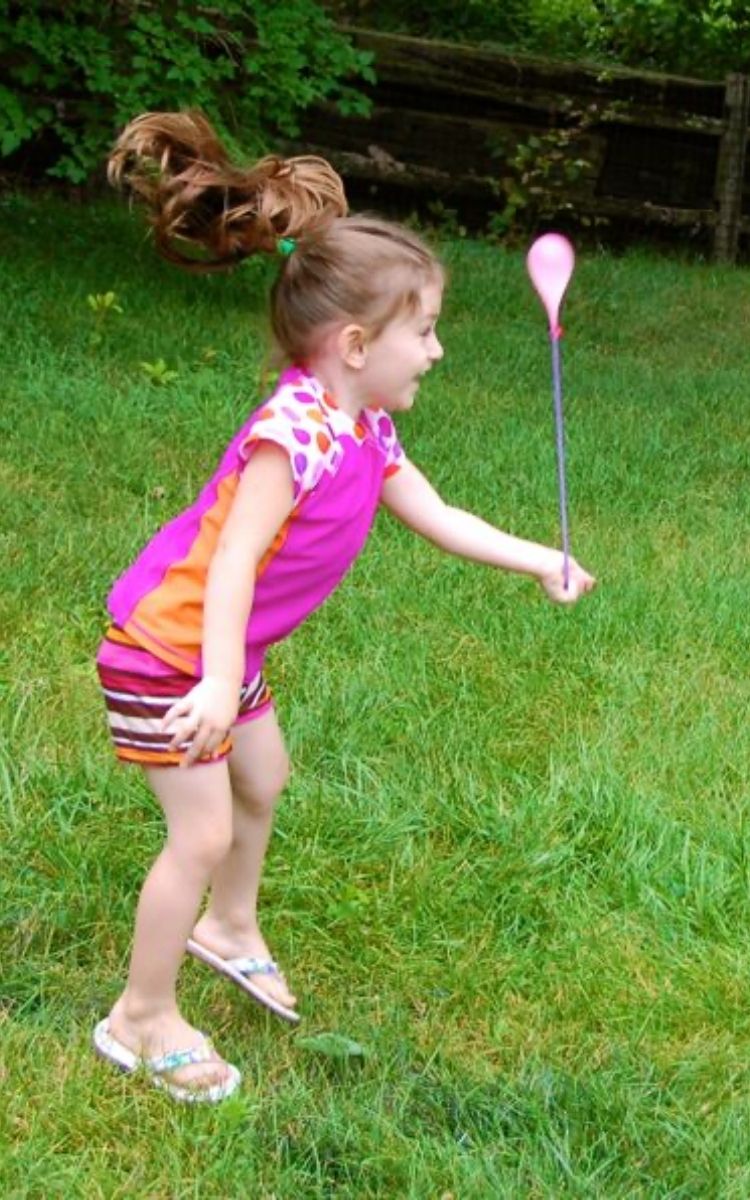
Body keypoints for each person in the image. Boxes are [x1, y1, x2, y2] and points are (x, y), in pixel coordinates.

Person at [92, 110, 596, 1103]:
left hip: (222, 651)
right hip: (172, 650)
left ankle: (228, 927)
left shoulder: (359, 425)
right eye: (427, 331)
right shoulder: (294, 433)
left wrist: (544, 557)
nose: (439, 351)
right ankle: (139, 1016)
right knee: (196, 834)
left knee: (264, 777)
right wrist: (219, 680)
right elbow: (233, 562)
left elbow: (436, 514)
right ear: (358, 342)